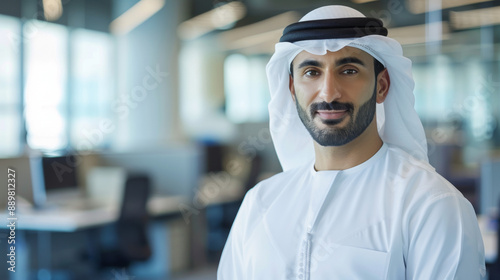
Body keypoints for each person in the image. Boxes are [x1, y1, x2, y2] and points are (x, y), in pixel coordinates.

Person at [218, 5, 486, 280]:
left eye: (348, 70)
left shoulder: (431, 204)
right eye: (311, 72)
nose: (329, 92)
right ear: (291, 89)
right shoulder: (260, 202)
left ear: (381, 86)